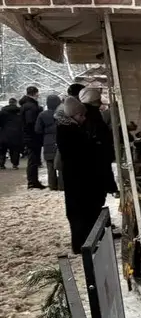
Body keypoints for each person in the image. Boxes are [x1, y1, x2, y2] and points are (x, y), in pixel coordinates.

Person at [56, 96, 117, 253]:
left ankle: (85, 244)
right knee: (81, 214)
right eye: (81, 116)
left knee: (83, 213)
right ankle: (83, 246)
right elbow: (80, 155)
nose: (83, 118)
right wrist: (95, 146)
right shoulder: (69, 131)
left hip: (79, 180)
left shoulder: (72, 129)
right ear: (72, 115)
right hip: (79, 181)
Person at [20, 86, 45, 189]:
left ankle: (33, 181)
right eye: (37, 93)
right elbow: (31, 123)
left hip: (29, 136)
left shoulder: (26, 105)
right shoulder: (31, 106)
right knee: (33, 159)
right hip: (32, 137)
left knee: (33, 159)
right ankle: (32, 181)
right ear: (35, 93)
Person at [35, 93, 62, 189]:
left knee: (50, 166)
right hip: (61, 141)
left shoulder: (42, 115)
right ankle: (62, 185)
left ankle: (52, 185)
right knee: (61, 165)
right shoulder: (63, 113)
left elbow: (38, 129)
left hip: (48, 142)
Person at [0, 98, 22, 168]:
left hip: (4, 133)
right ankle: (15, 164)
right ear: (15, 103)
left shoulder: (2, 112)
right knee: (15, 150)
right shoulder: (19, 112)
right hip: (16, 133)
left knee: (2, 150)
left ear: (9, 103)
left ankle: (1, 164)